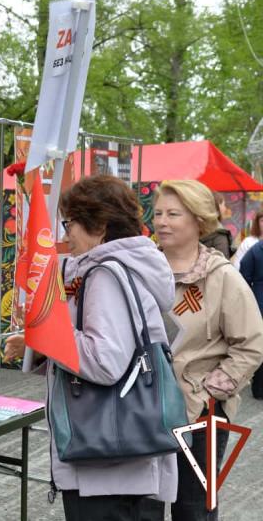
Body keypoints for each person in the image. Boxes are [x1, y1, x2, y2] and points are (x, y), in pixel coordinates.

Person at [6, 175, 177, 520]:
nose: (66, 234)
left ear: (99, 227)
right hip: (127, 460)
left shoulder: (105, 276)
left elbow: (105, 360)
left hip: (106, 467)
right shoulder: (129, 267)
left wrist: (44, 338)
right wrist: (40, 346)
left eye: (71, 223)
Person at [153, 179, 263, 520]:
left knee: (193, 509)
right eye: (157, 213)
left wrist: (209, 395)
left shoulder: (222, 277)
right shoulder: (143, 269)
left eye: (173, 214)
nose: (162, 222)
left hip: (200, 416)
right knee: (145, 505)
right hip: (143, 412)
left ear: (199, 220)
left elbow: (251, 344)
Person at [238, 239, 263, 399]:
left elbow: (243, 278)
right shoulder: (255, 250)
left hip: (258, 302)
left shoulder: (255, 250)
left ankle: (259, 388)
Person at [199, 192, 232, 258]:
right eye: (223, 205)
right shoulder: (220, 235)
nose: (225, 208)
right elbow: (222, 264)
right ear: (217, 206)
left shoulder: (194, 228)